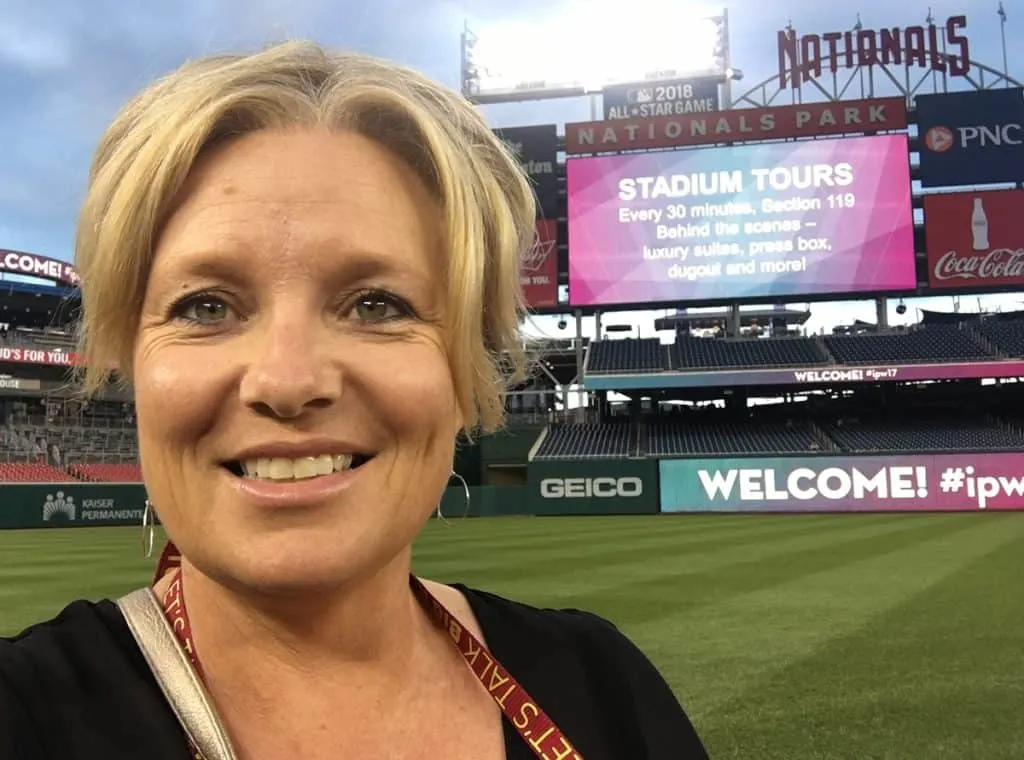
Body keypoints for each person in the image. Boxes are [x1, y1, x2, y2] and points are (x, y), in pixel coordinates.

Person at [0, 41, 708, 759]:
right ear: (130, 363)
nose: (287, 381)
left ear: (466, 368)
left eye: (376, 305)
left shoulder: (605, 685)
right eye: (206, 307)